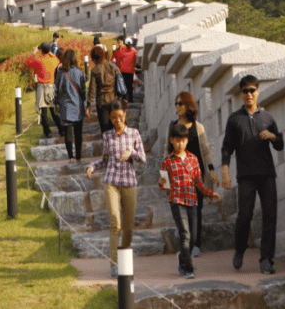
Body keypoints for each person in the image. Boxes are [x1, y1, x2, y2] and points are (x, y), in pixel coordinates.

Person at [220, 75, 284, 274]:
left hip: (267, 174)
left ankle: (266, 260)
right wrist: (225, 172)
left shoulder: (267, 118)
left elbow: (280, 145)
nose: (249, 94)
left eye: (252, 90)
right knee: (244, 216)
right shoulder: (234, 119)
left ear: (258, 91)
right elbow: (226, 148)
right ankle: (239, 249)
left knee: (270, 216)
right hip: (245, 175)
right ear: (241, 94)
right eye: (245, 91)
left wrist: (272, 135)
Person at [86, 100, 146, 278]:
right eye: (113, 118)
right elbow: (104, 160)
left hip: (129, 183)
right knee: (115, 223)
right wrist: (92, 166)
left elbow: (143, 159)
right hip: (111, 182)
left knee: (128, 228)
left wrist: (132, 153)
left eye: (120, 116)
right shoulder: (107, 136)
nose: (117, 120)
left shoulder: (134, 134)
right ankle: (114, 264)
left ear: (125, 115)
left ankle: (124, 258)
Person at [160, 121, 222, 278]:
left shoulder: (193, 159)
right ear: (172, 140)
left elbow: (198, 182)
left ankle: (182, 257)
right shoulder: (167, 161)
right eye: (177, 140)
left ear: (187, 140)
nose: (180, 144)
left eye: (183, 140)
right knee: (185, 234)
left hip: (192, 201)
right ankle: (188, 268)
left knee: (193, 237)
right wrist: (163, 185)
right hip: (177, 202)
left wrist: (209, 193)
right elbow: (163, 183)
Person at [162, 91, 218, 257]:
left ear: (188, 105)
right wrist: (165, 179)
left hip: (196, 174)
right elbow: (166, 150)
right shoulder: (172, 126)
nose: (177, 107)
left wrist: (212, 171)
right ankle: (184, 231)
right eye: (176, 104)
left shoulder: (197, 127)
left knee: (197, 209)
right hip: (177, 175)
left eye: (180, 103)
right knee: (179, 207)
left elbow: (206, 150)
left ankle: (195, 244)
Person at [24, 44, 64, 139]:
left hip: (42, 86)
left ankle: (47, 132)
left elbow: (28, 62)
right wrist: (51, 54)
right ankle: (61, 130)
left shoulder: (38, 60)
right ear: (49, 50)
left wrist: (32, 53)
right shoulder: (54, 60)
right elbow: (58, 61)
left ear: (41, 50)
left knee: (43, 112)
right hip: (51, 86)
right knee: (53, 111)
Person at [53, 48, 86, 161]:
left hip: (65, 106)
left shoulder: (60, 73)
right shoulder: (79, 72)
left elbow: (56, 90)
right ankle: (79, 157)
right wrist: (84, 101)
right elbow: (83, 91)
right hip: (77, 106)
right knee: (78, 133)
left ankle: (71, 157)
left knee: (68, 133)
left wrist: (56, 103)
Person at [86, 45, 122, 134]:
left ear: (94, 58)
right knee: (115, 127)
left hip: (101, 102)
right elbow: (120, 83)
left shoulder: (95, 70)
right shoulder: (113, 66)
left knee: (105, 130)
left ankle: (107, 146)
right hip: (114, 100)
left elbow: (92, 89)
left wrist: (88, 105)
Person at [113, 37, 140, 103]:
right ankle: (130, 100)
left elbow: (118, 59)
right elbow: (137, 60)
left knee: (124, 86)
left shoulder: (122, 50)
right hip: (130, 71)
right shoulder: (134, 51)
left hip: (123, 71)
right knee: (129, 86)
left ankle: (125, 99)